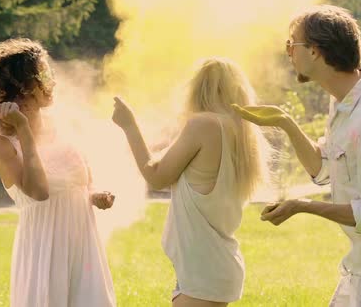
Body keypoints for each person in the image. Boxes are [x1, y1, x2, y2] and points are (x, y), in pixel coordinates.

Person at [233, 5, 361, 306]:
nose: (288, 51)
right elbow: (324, 167)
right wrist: (285, 122)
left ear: (315, 51)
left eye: (292, 43)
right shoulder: (346, 98)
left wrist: (303, 206)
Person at [0, 38, 116, 307]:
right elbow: (38, 191)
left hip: (83, 246)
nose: (52, 81)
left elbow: (84, 180)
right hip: (44, 252)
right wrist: (23, 129)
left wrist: (96, 194)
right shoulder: (1, 144)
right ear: (22, 87)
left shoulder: (65, 126)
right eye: (43, 74)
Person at [112, 58, 269, 306]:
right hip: (214, 264)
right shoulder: (239, 130)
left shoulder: (204, 124)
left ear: (199, 89)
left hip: (203, 268)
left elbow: (156, 175)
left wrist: (129, 125)